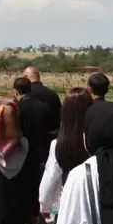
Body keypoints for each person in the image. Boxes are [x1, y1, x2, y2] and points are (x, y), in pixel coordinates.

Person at [38, 87, 94, 217]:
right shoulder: (96, 140)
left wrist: (44, 206)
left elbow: (50, 177)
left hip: (69, 204)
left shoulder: (58, 144)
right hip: (95, 202)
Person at [15, 75, 57, 224]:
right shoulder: (44, 108)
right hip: (41, 156)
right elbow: (54, 129)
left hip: (21, 157)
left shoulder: (16, 109)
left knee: (22, 195)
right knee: (40, 194)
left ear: (16, 91)